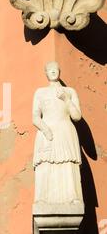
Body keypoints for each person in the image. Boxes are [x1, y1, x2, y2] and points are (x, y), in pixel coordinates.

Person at [32, 61, 83, 204]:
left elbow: (77, 116)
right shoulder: (40, 92)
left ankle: (72, 197)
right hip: (47, 132)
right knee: (46, 164)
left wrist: (66, 100)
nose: (53, 71)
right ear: (46, 73)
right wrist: (45, 130)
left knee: (67, 164)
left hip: (65, 130)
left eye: (55, 69)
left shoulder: (70, 91)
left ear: (60, 72)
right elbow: (35, 117)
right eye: (50, 69)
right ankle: (43, 199)